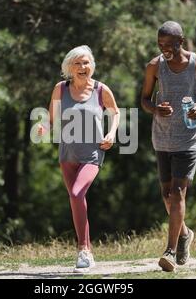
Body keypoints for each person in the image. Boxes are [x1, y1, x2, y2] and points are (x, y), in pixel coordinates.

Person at [141, 21, 196, 272]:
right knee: (167, 196)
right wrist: (155, 108)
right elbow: (144, 99)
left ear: (181, 41)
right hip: (162, 137)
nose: (164, 49)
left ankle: (170, 249)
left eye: (168, 44)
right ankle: (186, 233)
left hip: (189, 137)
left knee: (178, 193)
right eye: (160, 44)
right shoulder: (154, 66)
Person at [38, 45, 120, 272]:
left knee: (76, 193)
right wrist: (43, 126)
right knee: (76, 200)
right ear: (69, 68)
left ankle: (84, 249)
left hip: (92, 154)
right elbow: (51, 118)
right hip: (67, 154)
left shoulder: (101, 90)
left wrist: (112, 133)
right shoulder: (60, 89)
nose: (83, 67)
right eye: (78, 63)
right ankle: (87, 251)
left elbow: (115, 112)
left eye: (86, 63)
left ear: (92, 66)